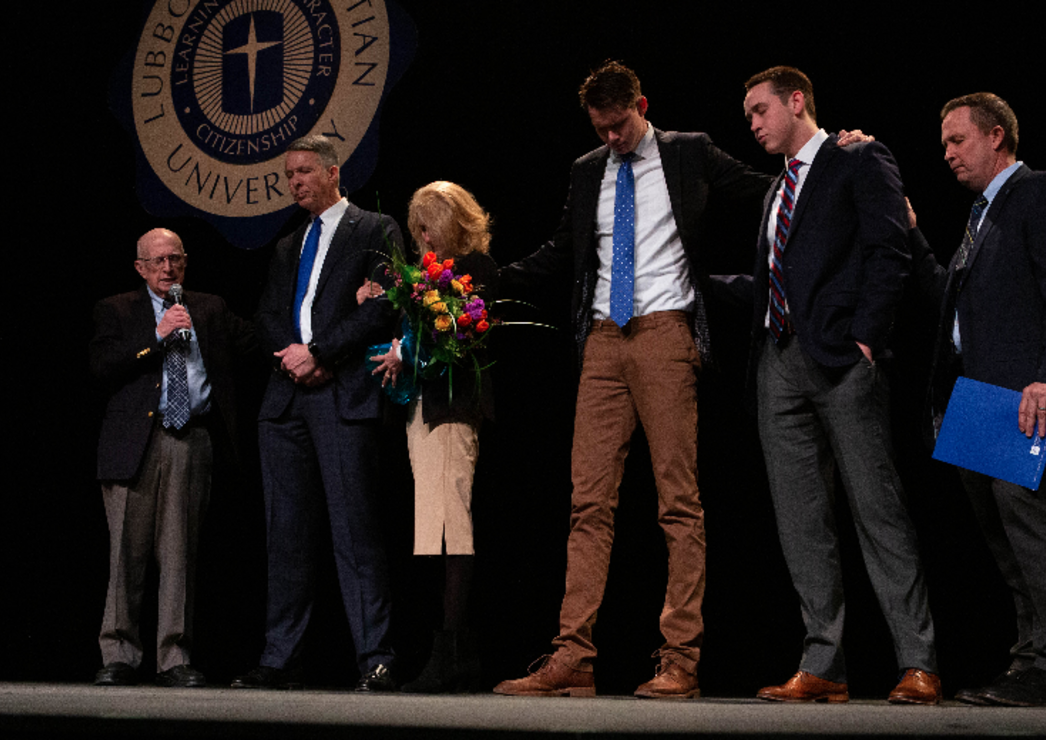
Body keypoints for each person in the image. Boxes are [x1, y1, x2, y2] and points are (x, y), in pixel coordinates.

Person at [492, 61, 772, 699]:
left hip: (665, 335)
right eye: (600, 128)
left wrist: (833, 161)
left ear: (641, 105)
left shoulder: (689, 153)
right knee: (587, 503)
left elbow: (767, 190)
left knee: (678, 503)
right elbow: (563, 250)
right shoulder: (588, 170)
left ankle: (680, 659)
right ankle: (573, 656)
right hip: (600, 343)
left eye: (619, 125)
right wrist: (489, 278)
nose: (612, 138)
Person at [741, 66, 940, 704]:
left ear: (796, 101)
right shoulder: (776, 189)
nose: (752, 123)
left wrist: (866, 336)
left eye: (759, 110)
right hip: (780, 362)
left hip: (842, 361)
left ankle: (919, 661)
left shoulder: (858, 157)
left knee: (877, 511)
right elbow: (777, 276)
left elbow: (891, 249)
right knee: (801, 521)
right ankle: (823, 662)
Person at [907, 92, 1046, 707]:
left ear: (997, 137)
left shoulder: (1041, 191)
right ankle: (1031, 659)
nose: (948, 154)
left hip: (1021, 395)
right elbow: (951, 306)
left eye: (958, 141)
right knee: (1002, 534)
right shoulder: (978, 218)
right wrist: (912, 237)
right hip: (977, 399)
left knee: (1030, 524)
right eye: (943, 145)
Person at [232, 134, 402, 692]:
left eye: (304, 171)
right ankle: (279, 658)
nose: (295, 182)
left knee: (355, 532)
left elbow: (383, 305)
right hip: (285, 404)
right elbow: (266, 315)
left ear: (333, 172)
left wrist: (323, 353)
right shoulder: (287, 245)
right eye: (289, 174)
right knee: (286, 535)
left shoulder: (375, 229)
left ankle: (374, 657)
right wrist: (291, 359)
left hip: (341, 395)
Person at [90, 227, 254, 688]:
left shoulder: (209, 307)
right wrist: (156, 336)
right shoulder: (117, 309)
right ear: (140, 268)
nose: (168, 268)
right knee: (127, 553)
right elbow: (102, 367)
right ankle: (119, 654)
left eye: (175, 259)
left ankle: (173, 657)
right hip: (135, 443)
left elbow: (256, 341)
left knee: (180, 553)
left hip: (190, 441)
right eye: (158, 261)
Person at [363, 181, 499, 693]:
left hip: (452, 411)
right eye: (417, 227)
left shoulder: (477, 272)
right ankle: (447, 651)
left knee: (451, 530)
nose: (421, 237)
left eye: (429, 226)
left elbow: (462, 342)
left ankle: (453, 653)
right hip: (423, 413)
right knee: (434, 531)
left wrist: (409, 348)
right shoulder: (423, 278)